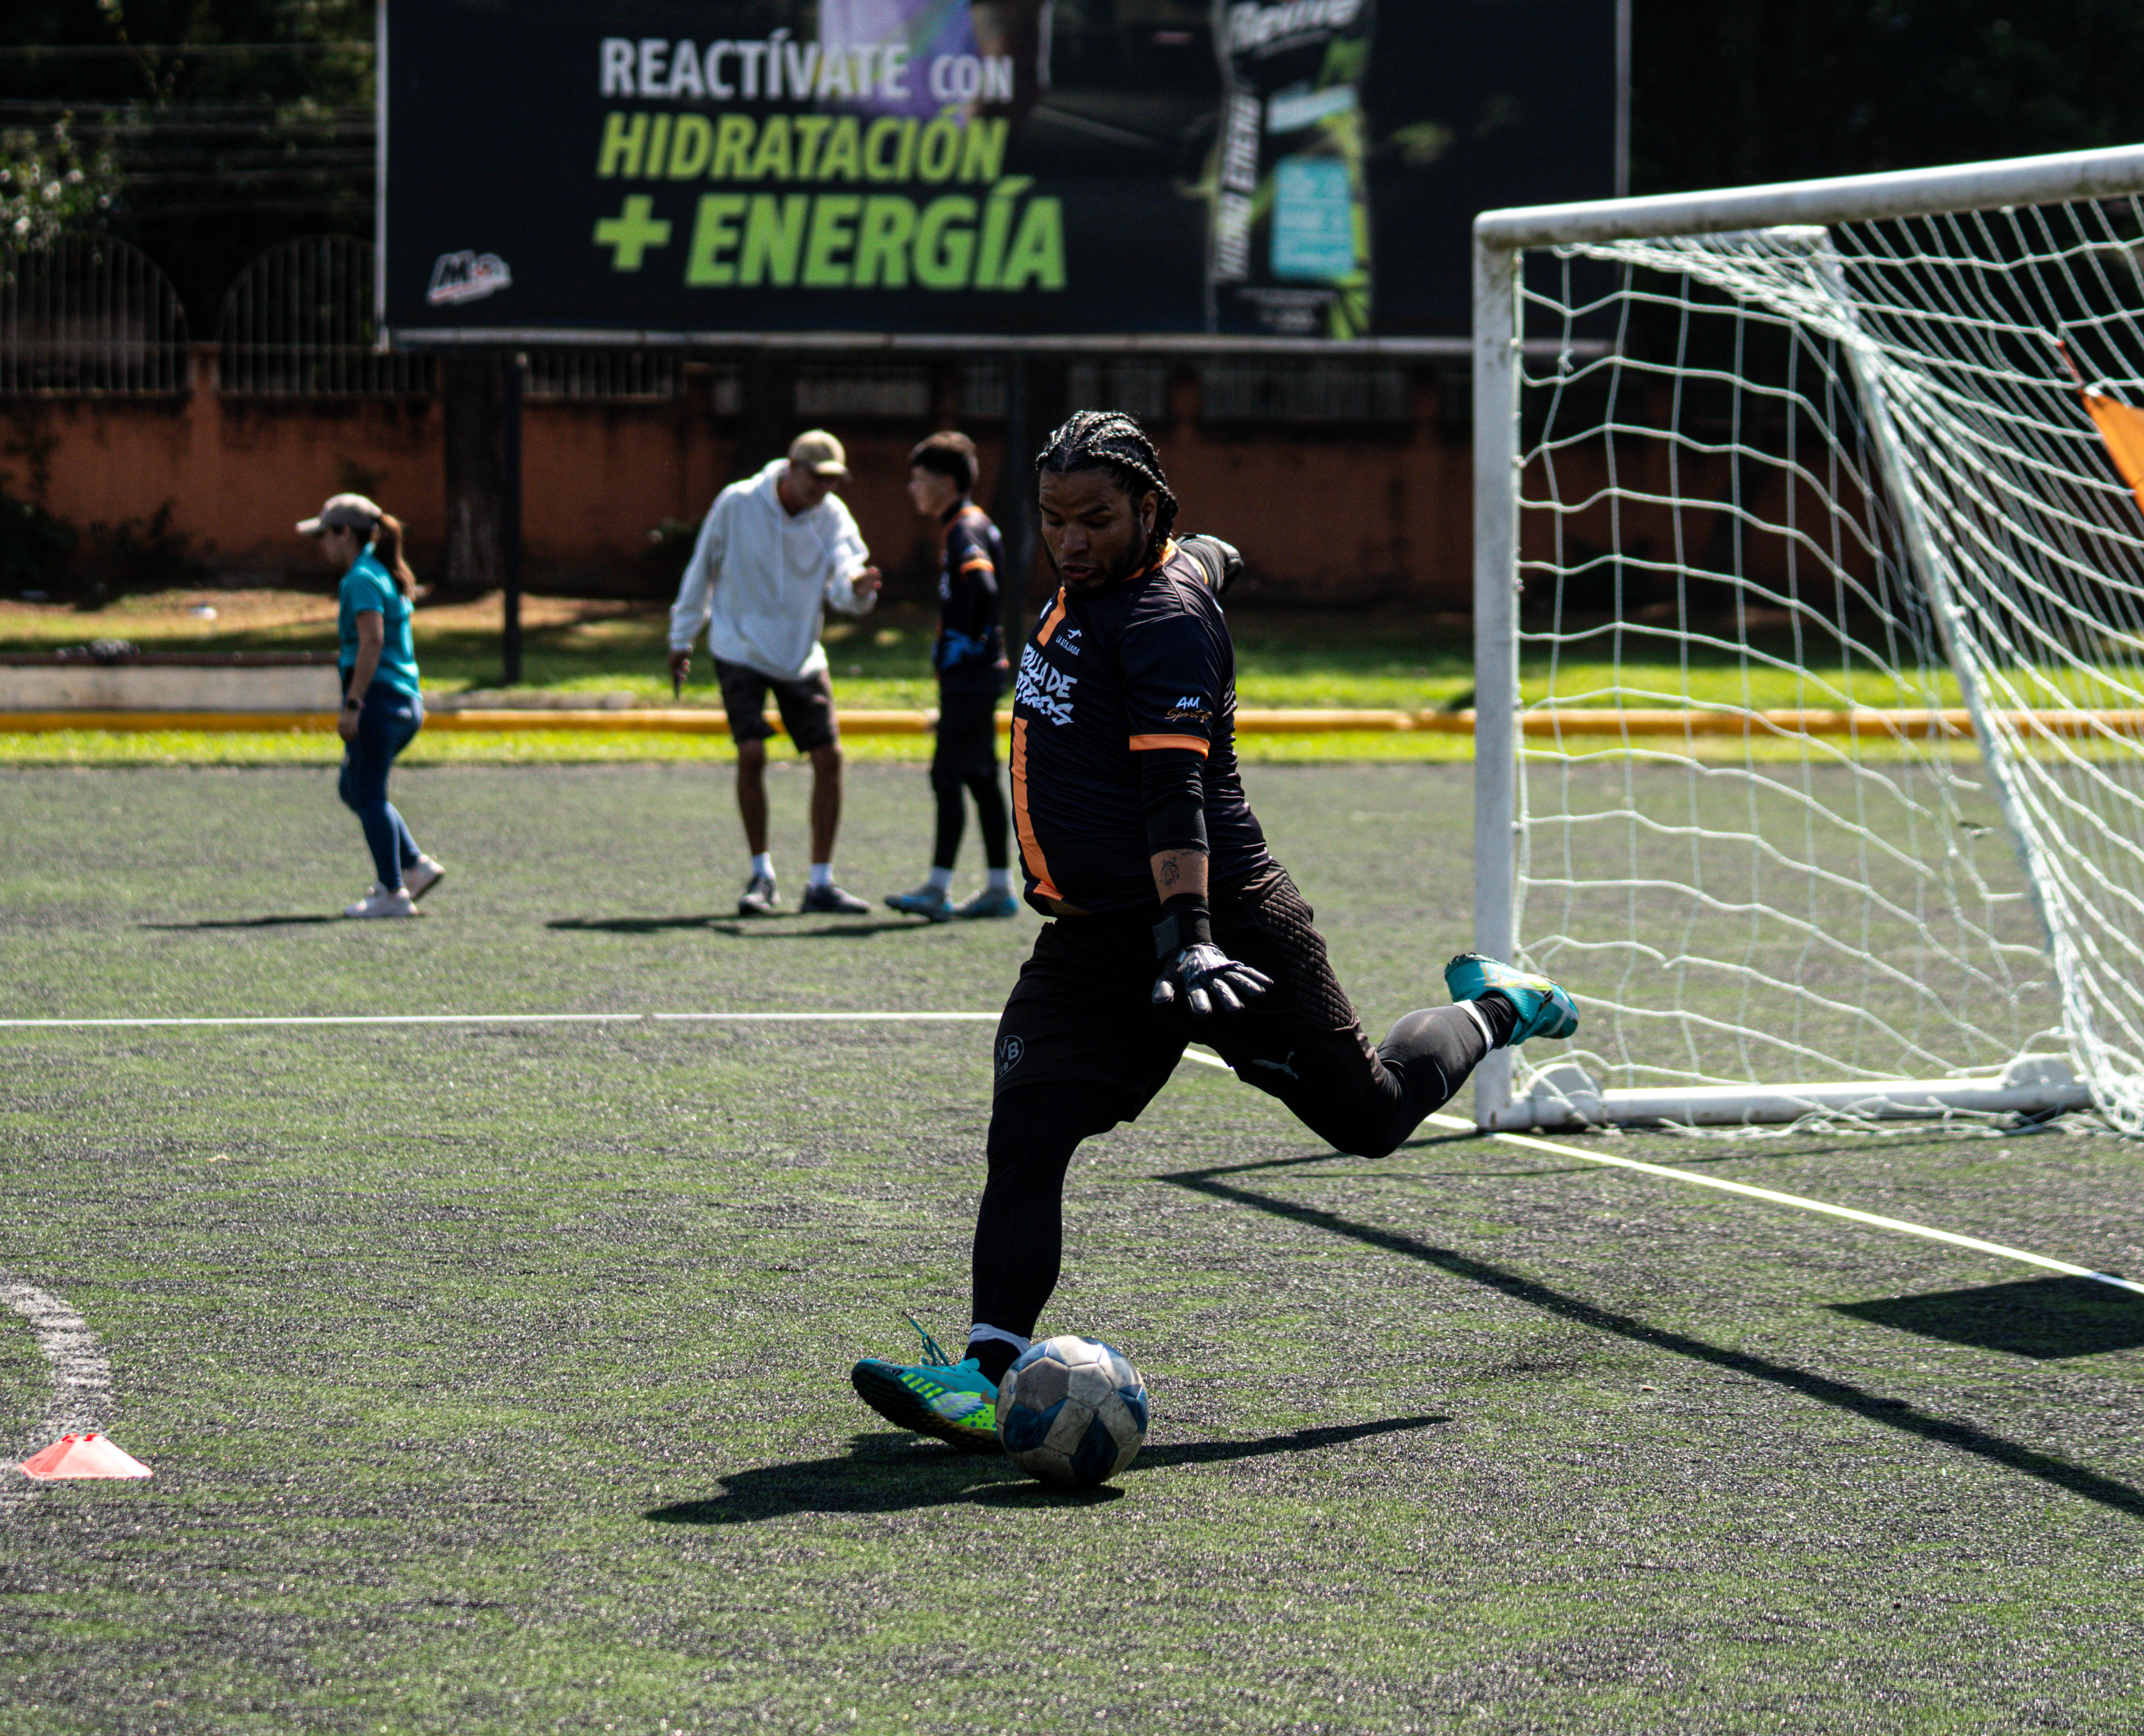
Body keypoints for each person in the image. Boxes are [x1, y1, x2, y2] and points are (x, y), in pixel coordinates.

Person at [848, 411, 1581, 1448]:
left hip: (1223, 932)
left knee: (1370, 1118)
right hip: (1093, 942)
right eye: (1054, 519)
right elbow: (1206, 556)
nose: (1070, 543)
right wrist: (1216, 552)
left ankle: (1500, 1004)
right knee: (1027, 1132)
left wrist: (1190, 935)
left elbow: (1174, 795)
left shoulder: (1159, 621)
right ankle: (988, 1371)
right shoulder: (1146, 567)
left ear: (1148, 508)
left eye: (1096, 520)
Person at [668, 431, 883, 916]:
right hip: (738, 647)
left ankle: (820, 883)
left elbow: (847, 581)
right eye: (817, 477)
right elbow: (701, 570)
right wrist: (682, 639)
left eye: (833, 480)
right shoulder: (738, 503)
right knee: (751, 753)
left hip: (799, 655)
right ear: (792, 467)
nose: (824, 488)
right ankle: (761, 875)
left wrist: (859, 590)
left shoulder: (833, 517)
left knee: (829, 758)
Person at [884, 431, 1018, 923]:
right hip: (978, 675)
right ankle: (1000, 889)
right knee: (980, 777)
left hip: (972, 677)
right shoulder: (966, 525)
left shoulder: (965, 530)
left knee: (947, 776)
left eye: (919, 479)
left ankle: (938, 890)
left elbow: (984, 588)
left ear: (946, 482)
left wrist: (971, 641)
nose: (912, 489)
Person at [301, 492, 442, 920]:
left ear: (345, 532)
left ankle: (393, 891)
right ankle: (414, 864)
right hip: (402, 700)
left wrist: (353, 703)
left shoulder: (361, 578)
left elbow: (373, 640)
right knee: (354, 788)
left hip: (379, 700)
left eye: (325, 535)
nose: (322, 544)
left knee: (368, 792)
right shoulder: (381, 571)